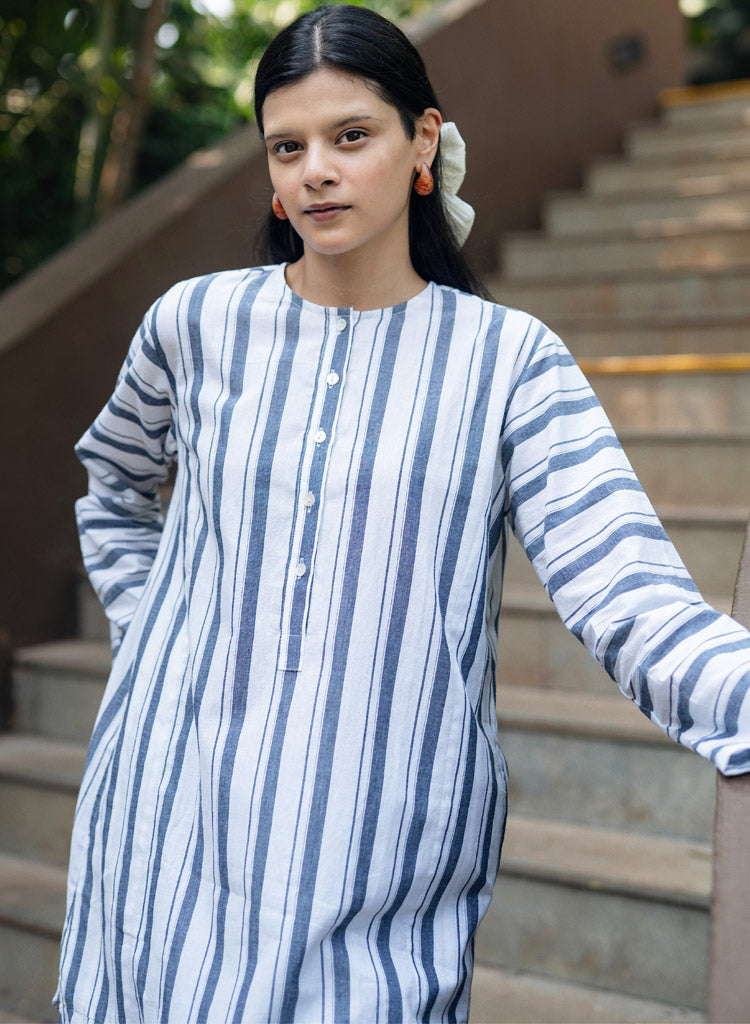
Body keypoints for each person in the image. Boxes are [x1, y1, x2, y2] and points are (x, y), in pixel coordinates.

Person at [55, 5, 750, 1022]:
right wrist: (148, 623)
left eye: (351, 136)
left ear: (424, 141)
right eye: (287, 147)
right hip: (166, 813)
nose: (316, 172)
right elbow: (113, 487)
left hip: (379, 844)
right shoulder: (194, 324)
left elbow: (626, 589)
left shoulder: (508, 361)